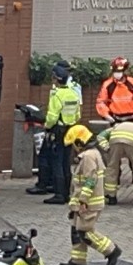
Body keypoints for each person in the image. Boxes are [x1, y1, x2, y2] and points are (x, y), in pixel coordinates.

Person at [58, 124, 122, 265]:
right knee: (76, 231)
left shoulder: (88, 157)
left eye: (74, 145)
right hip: (83, 204)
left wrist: (83, 201)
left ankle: (111, 250)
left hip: (89, 204)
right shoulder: (93, 154)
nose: (74, 148)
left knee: (84, 232)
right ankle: (77, 261)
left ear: (80, 142)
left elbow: (90, 180)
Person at [41, 65, 82, 205]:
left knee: (57, 162)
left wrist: (46, 126)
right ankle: (67, 193)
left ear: (56, 79)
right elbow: (78, 114)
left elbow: (52, 116)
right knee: (66, 161)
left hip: (58, 130)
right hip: (70, 130)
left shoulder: (57, 95)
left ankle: (59, 194)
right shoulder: (73, 93)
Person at [95, 57, 133, 124]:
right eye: (115, 71)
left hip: (132, 118)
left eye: (119, 71)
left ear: (124, 71)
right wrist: (106, 115)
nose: (117, 73)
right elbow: (101, 102)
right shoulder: (108, 84)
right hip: (114, 119)